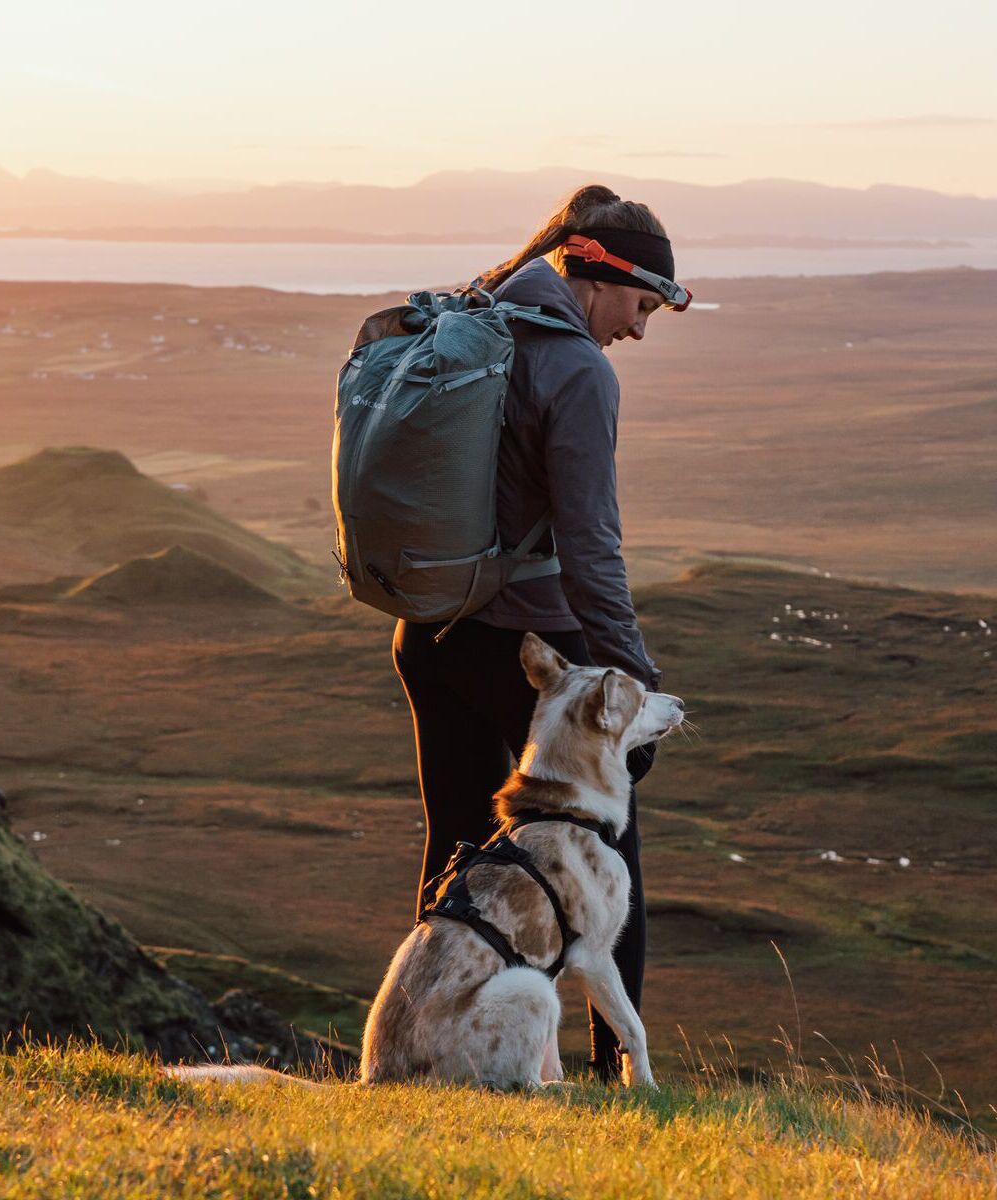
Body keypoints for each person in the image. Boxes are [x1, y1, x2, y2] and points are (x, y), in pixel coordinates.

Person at [391, 183, 685, 1081]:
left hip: (429, 637)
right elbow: (592, 552)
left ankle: (419, 1061)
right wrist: (630, 690)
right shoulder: (579, 370)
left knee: (457, 859)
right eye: (639, 307)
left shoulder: (477, 318)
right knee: (601, 875)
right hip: (514, 655)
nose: (637, 331)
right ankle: (609, 1086)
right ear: (597, 277)